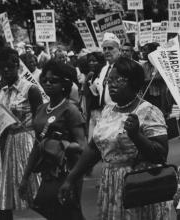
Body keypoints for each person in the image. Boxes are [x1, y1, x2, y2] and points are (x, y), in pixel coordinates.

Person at [59, 57, 172, 220]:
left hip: (140, 185)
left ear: (133, 82)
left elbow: (160, 155)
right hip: (111, 184)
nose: (111, 84)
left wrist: (136, 136)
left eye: (118, 80)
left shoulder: (149, 112)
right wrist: (71, 178)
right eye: (109, 80)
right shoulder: (108, 110)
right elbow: (94, 148)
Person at [19, 60, 86, 220]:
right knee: (48, 209)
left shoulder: (71, 110)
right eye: (45, 80)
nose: (48, 83)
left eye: (53, 81)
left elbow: (82, 146)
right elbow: (37, 145)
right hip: (48, 171)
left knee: (68, 212)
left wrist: (62, 145)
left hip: (68, 171)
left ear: (64, 84)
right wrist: (25, 177)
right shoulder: (42, 108)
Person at [0, 47, 43, 220]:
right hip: (8, 145)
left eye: (9, 66)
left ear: (17, 64)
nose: (5, 70)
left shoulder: (30, 90)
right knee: (3, 196)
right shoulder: (1, 92)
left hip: (28, 144)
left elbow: (40, 124)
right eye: (1, 67)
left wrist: (40, 151)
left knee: (35, 194)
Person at [92, 32, 121, 109]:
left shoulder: (123, 68)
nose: (107, 51)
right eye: (104, 48)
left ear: (119, 50)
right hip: (105, 112)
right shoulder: (104, 69)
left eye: (110, 48)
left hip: (119, 111)